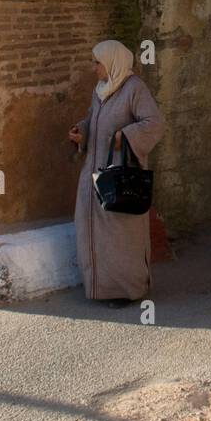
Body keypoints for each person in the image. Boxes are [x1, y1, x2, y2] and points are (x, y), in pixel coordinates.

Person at [69, 40, 165, 307]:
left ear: (112, 62)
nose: (94, 67)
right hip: (93, 173)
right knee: (93, 230)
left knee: (120, 236)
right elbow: (92, 120)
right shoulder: (100, 91)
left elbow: (154, 124)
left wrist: (127, 136)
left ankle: (127, 289)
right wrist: (81, 131)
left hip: (120, 176)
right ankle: (100, 287)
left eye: (97, 62)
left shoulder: (134, 89)